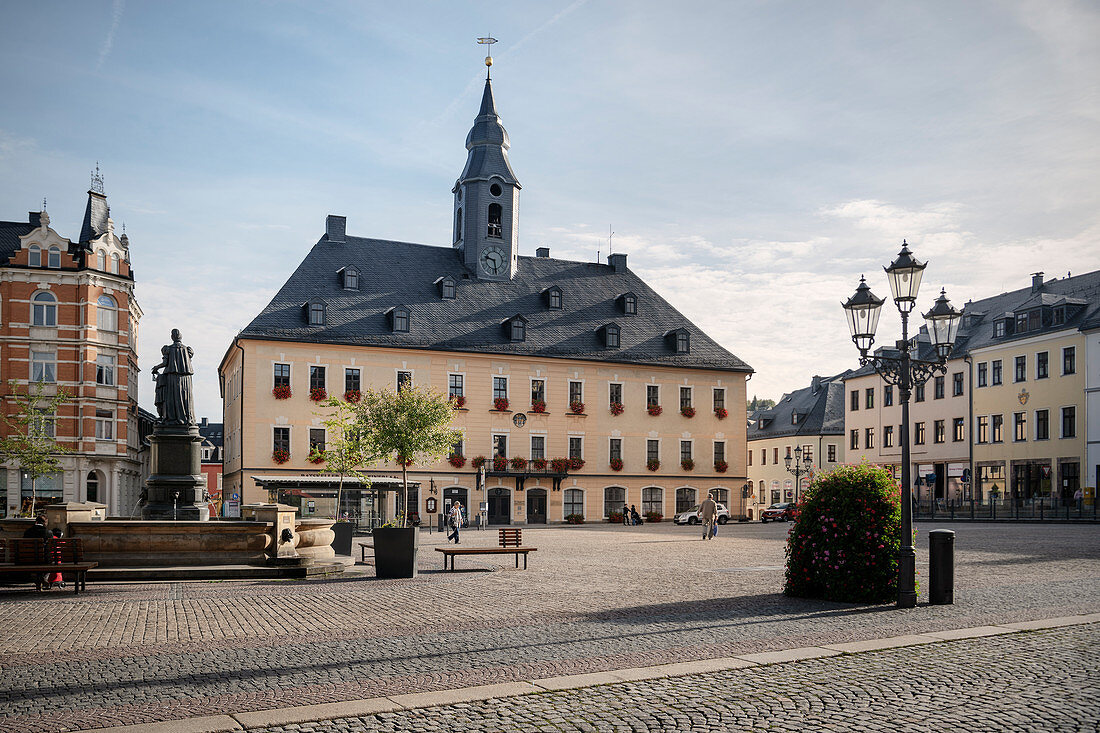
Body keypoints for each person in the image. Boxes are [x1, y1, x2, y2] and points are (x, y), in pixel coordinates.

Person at [22, 516, 52, 589]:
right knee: (50, 562)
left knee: (36, 560)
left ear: (36, 522)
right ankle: (44, 577)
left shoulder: (28, 532)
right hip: (44, 560)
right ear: (45, 523)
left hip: (29, 559)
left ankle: (38, 579)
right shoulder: (48, 532)